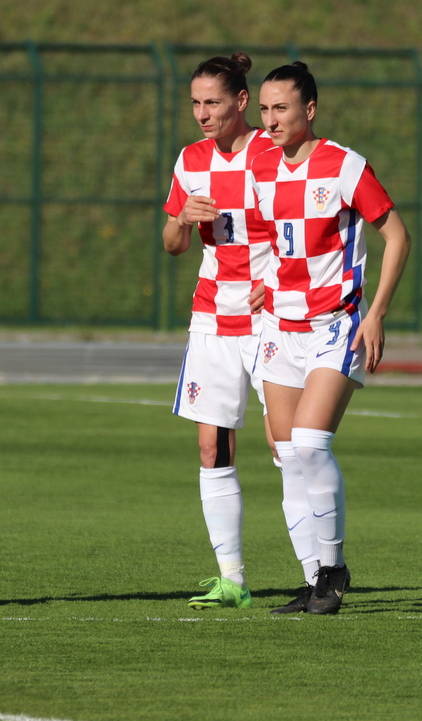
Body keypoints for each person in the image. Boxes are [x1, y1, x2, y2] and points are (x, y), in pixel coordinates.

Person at [249, 61, 411, 615]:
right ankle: (312, 580)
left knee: (312, 444)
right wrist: (261, 285)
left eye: (282, 109)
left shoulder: (344, 166)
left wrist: (377, 313)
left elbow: (396, 235)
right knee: (286, 453)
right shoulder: (262, 169)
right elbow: (276, 241)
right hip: (278, 328)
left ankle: (334, 565)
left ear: (309, 110)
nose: (270, 120)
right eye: (265, 109)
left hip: (334, 325)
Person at [163, 53, 275, 610]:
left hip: (270, 317)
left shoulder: (270, 154)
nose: (202, 113)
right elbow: (172, 243)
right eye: (195, 103)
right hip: (211, 316)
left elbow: (299, 227)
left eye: (212, 102)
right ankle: (232, 576)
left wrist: (278, 280)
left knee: (289, 445)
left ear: (240, 101)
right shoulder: (189, 161)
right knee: (212, 447)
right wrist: (182, 218)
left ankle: (322, 570)